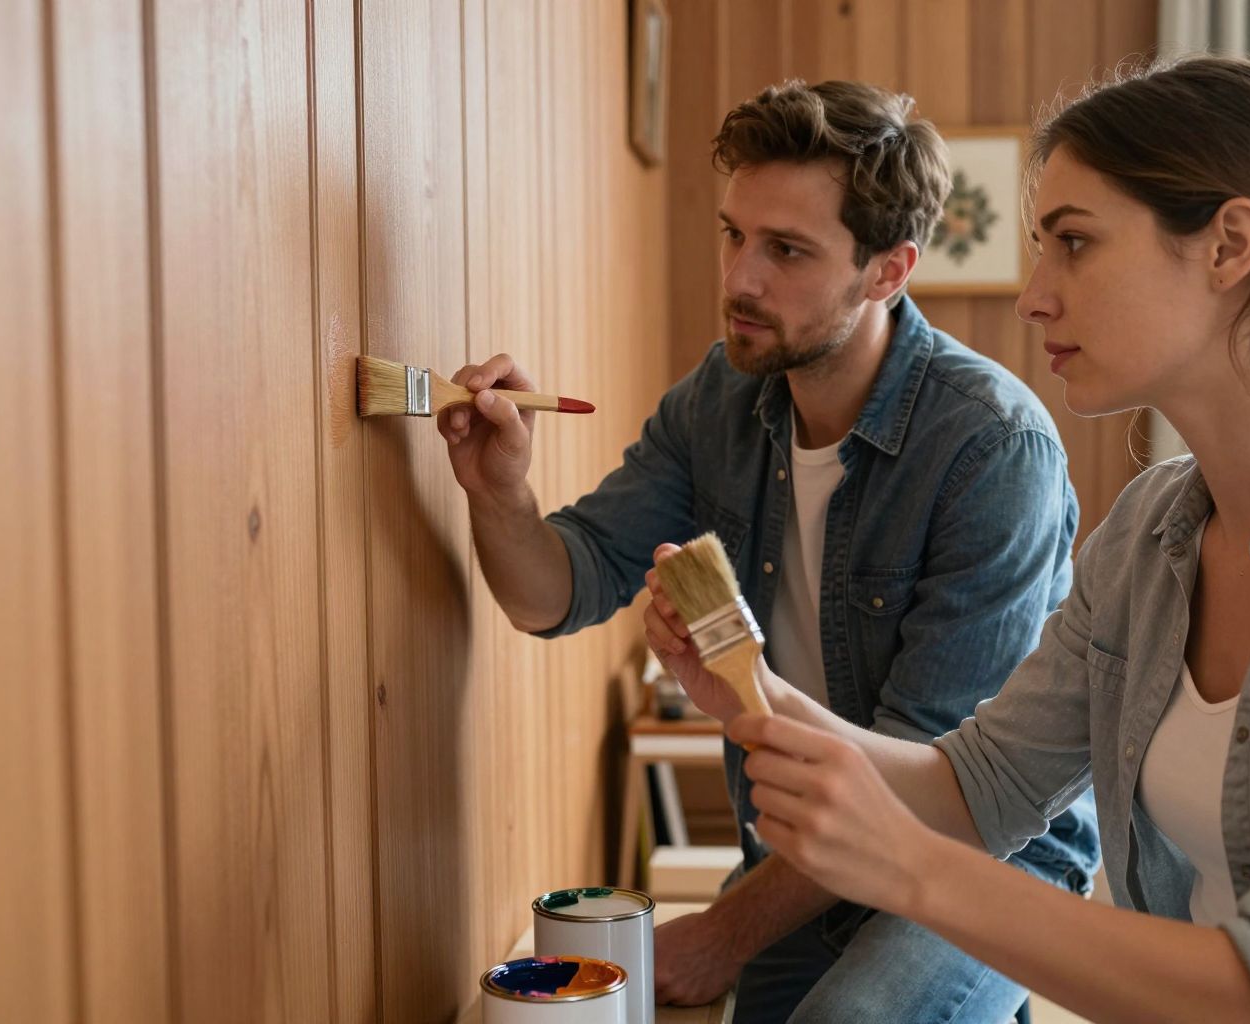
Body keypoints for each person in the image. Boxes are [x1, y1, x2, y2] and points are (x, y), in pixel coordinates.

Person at [646, 55, 1250, 1023]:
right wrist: (752, 690)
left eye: (1074, 243)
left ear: (1230, 244)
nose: (1032, 296)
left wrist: (915, 873)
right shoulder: (1151, 531)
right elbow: (976, 784)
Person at [439, 79, 1100, 1023]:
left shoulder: (994, 449)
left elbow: (936, 786)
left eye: (786, 250)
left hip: (976, 860)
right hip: (803, 858)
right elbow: (557, 594)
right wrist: (500, 493)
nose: (740, 278)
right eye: (734, 234)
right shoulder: (719, 401)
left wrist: (721, 933)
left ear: (888, 270)